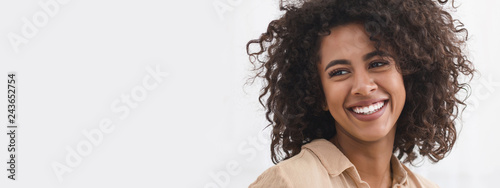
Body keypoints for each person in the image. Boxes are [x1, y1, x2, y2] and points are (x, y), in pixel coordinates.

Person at [246, 0, 474, 187]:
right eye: (340, 72)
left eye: (377, 64)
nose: (363, 87)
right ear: (319, 94)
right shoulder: (291, 182)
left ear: (408, 74)